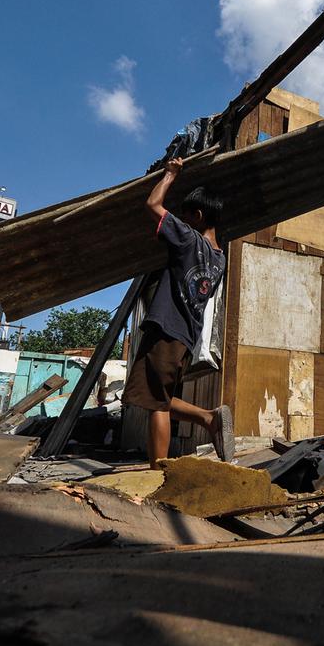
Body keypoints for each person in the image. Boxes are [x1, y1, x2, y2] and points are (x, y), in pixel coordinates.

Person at [122, 156, 233, 467]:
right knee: (158, 395)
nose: (180, 221)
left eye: (184, 217)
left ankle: (158, 470)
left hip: (167, 328)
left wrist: (170, 175)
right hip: (186, 336)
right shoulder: (220, 259)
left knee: (155, 403)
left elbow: (153, 205)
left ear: (196, 216)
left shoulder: (187, 238)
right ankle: (208, 418)